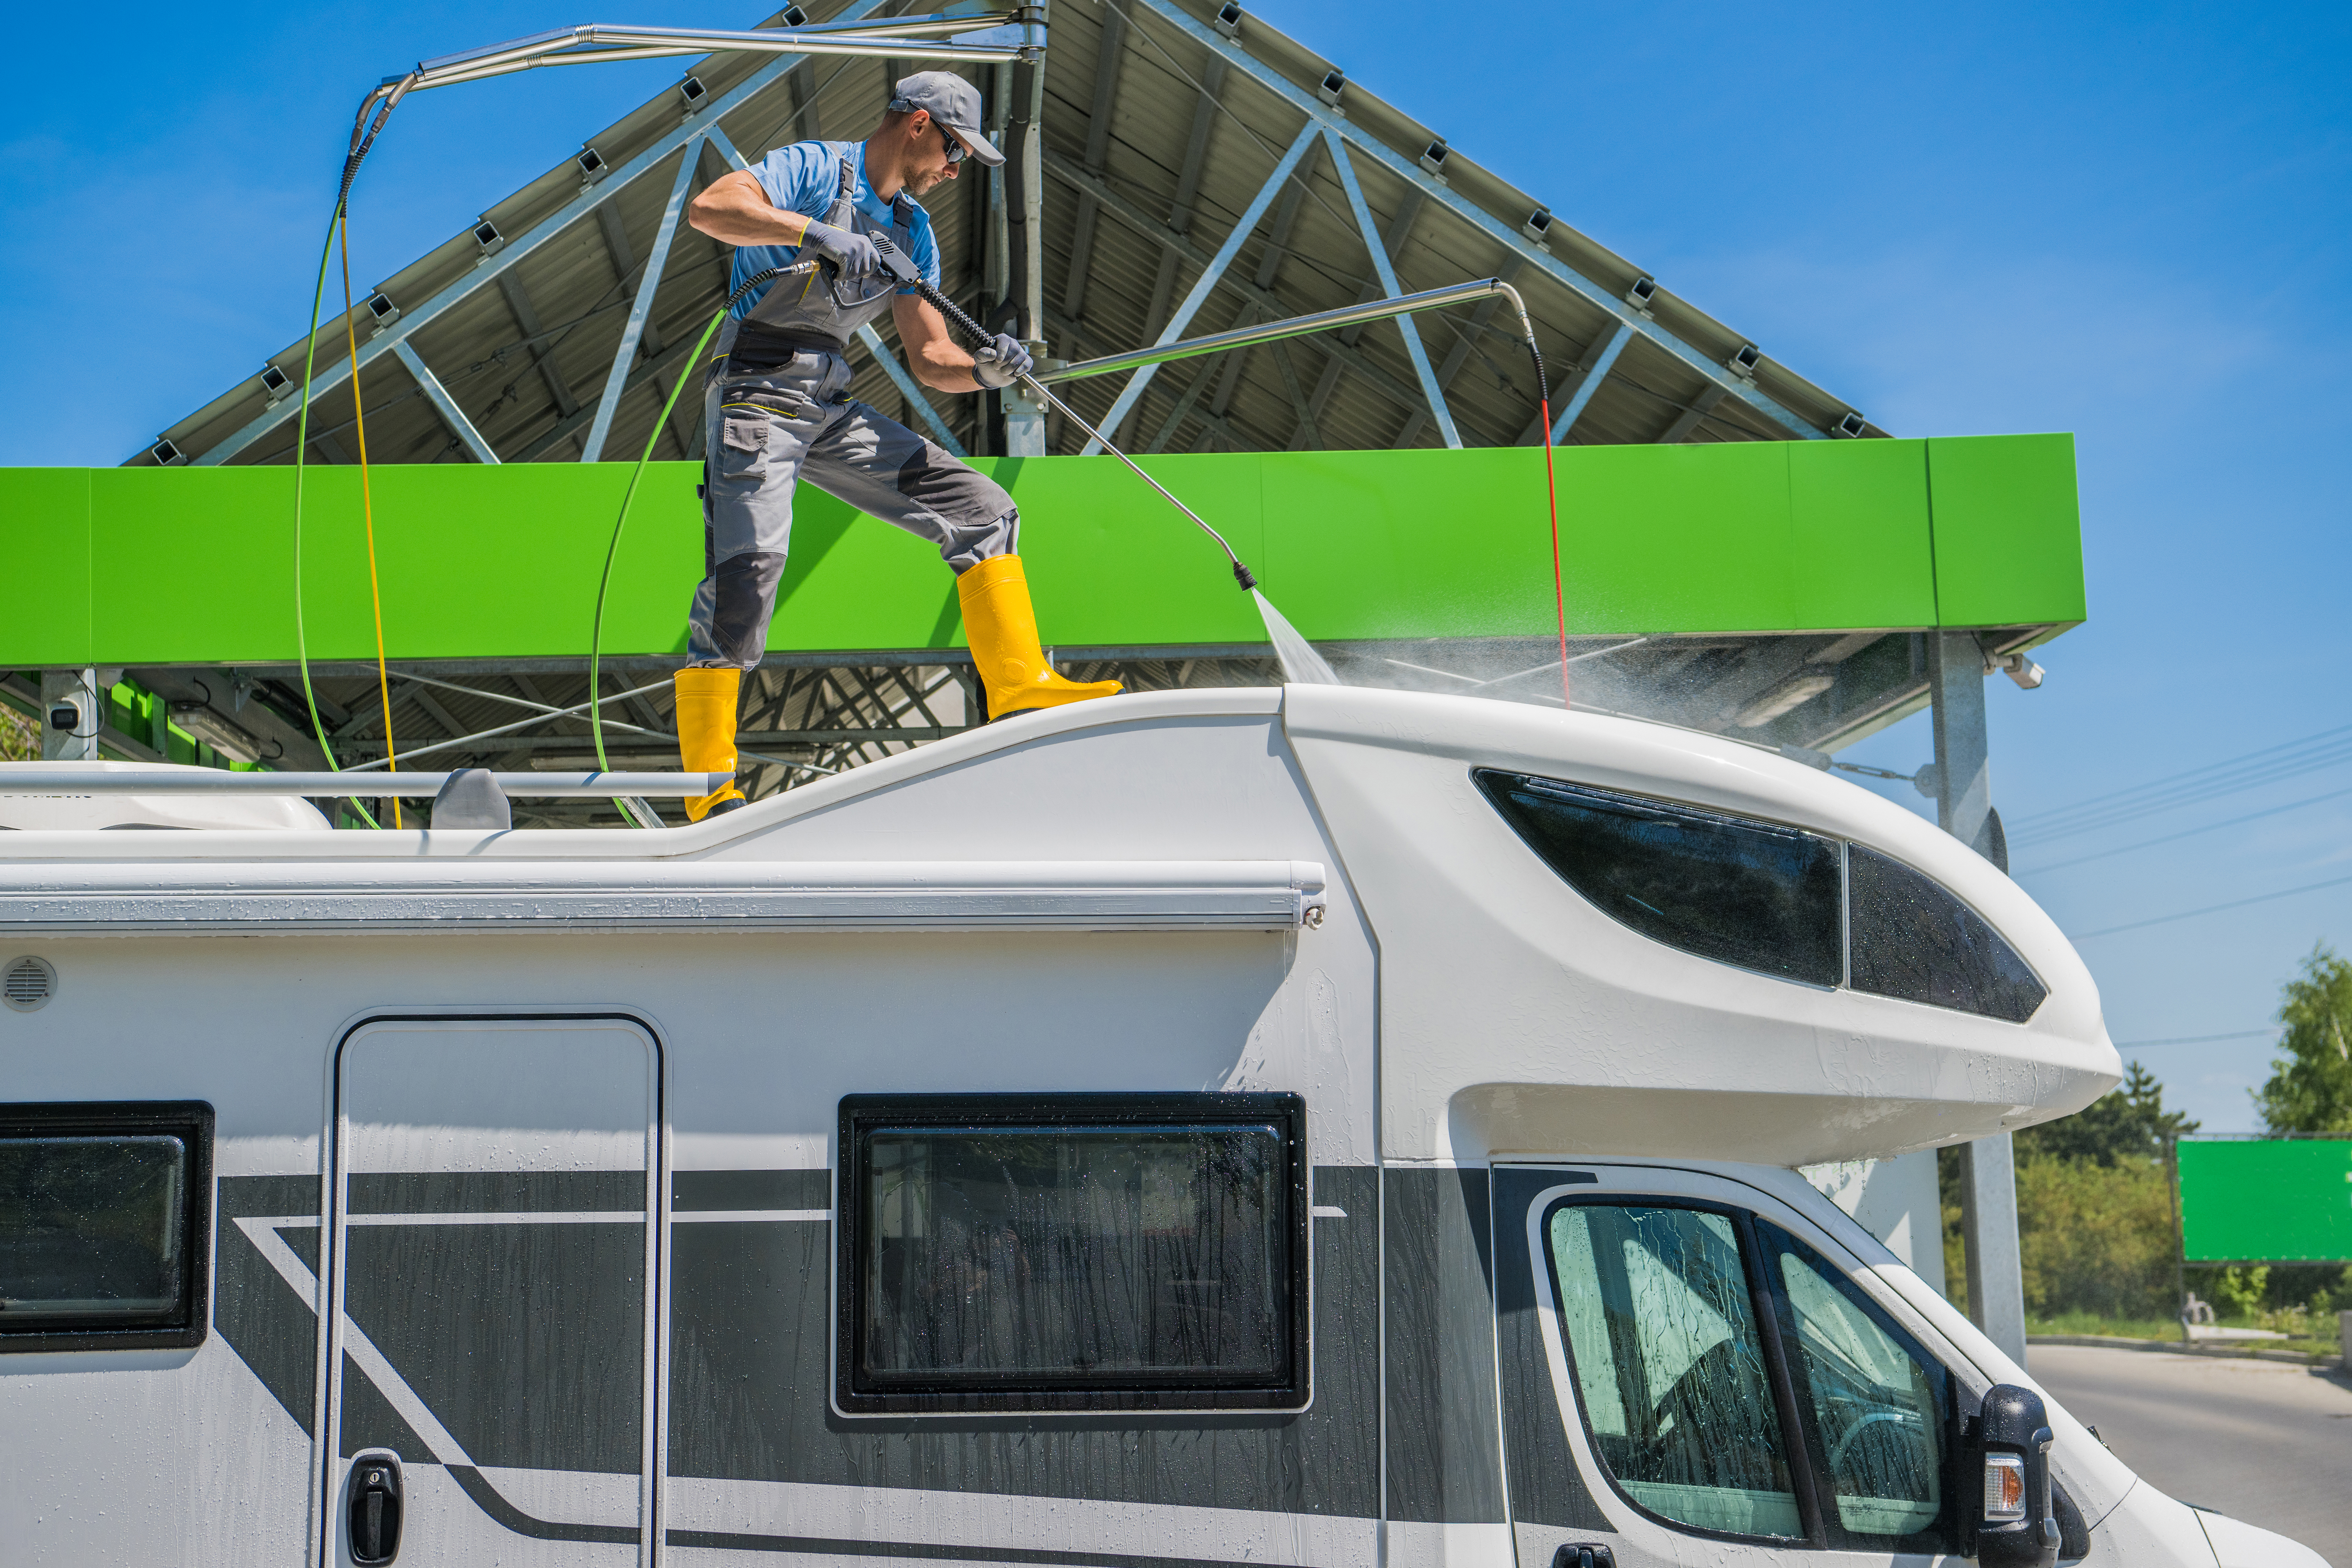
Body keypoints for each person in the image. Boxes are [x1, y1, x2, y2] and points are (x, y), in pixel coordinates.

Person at [671, 71, 1119, 820]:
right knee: (748, 575)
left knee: (981, 509)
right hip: (757, 391)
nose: (956, 169)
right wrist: (814, 233)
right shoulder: (815, 168)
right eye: (955, 151)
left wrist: (984, 371)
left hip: (827, 405)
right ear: (917, 125)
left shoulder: (914, 234)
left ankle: (1018, 686)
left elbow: (931, 357)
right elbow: (711, 208)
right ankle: (707, 789)